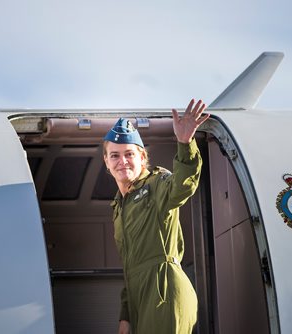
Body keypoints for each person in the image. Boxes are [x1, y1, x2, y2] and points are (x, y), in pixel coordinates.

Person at [103, 99, 210, 334]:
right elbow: (129, 269)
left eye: (129, 154)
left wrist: (185, 143)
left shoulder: (156, 183)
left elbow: (182, 186)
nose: (122, 161)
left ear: (142, 157)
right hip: (139, 298)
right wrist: (125, 316)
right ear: (106, 162)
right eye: (115, 156)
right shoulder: (118, 206)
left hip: (164, 291)